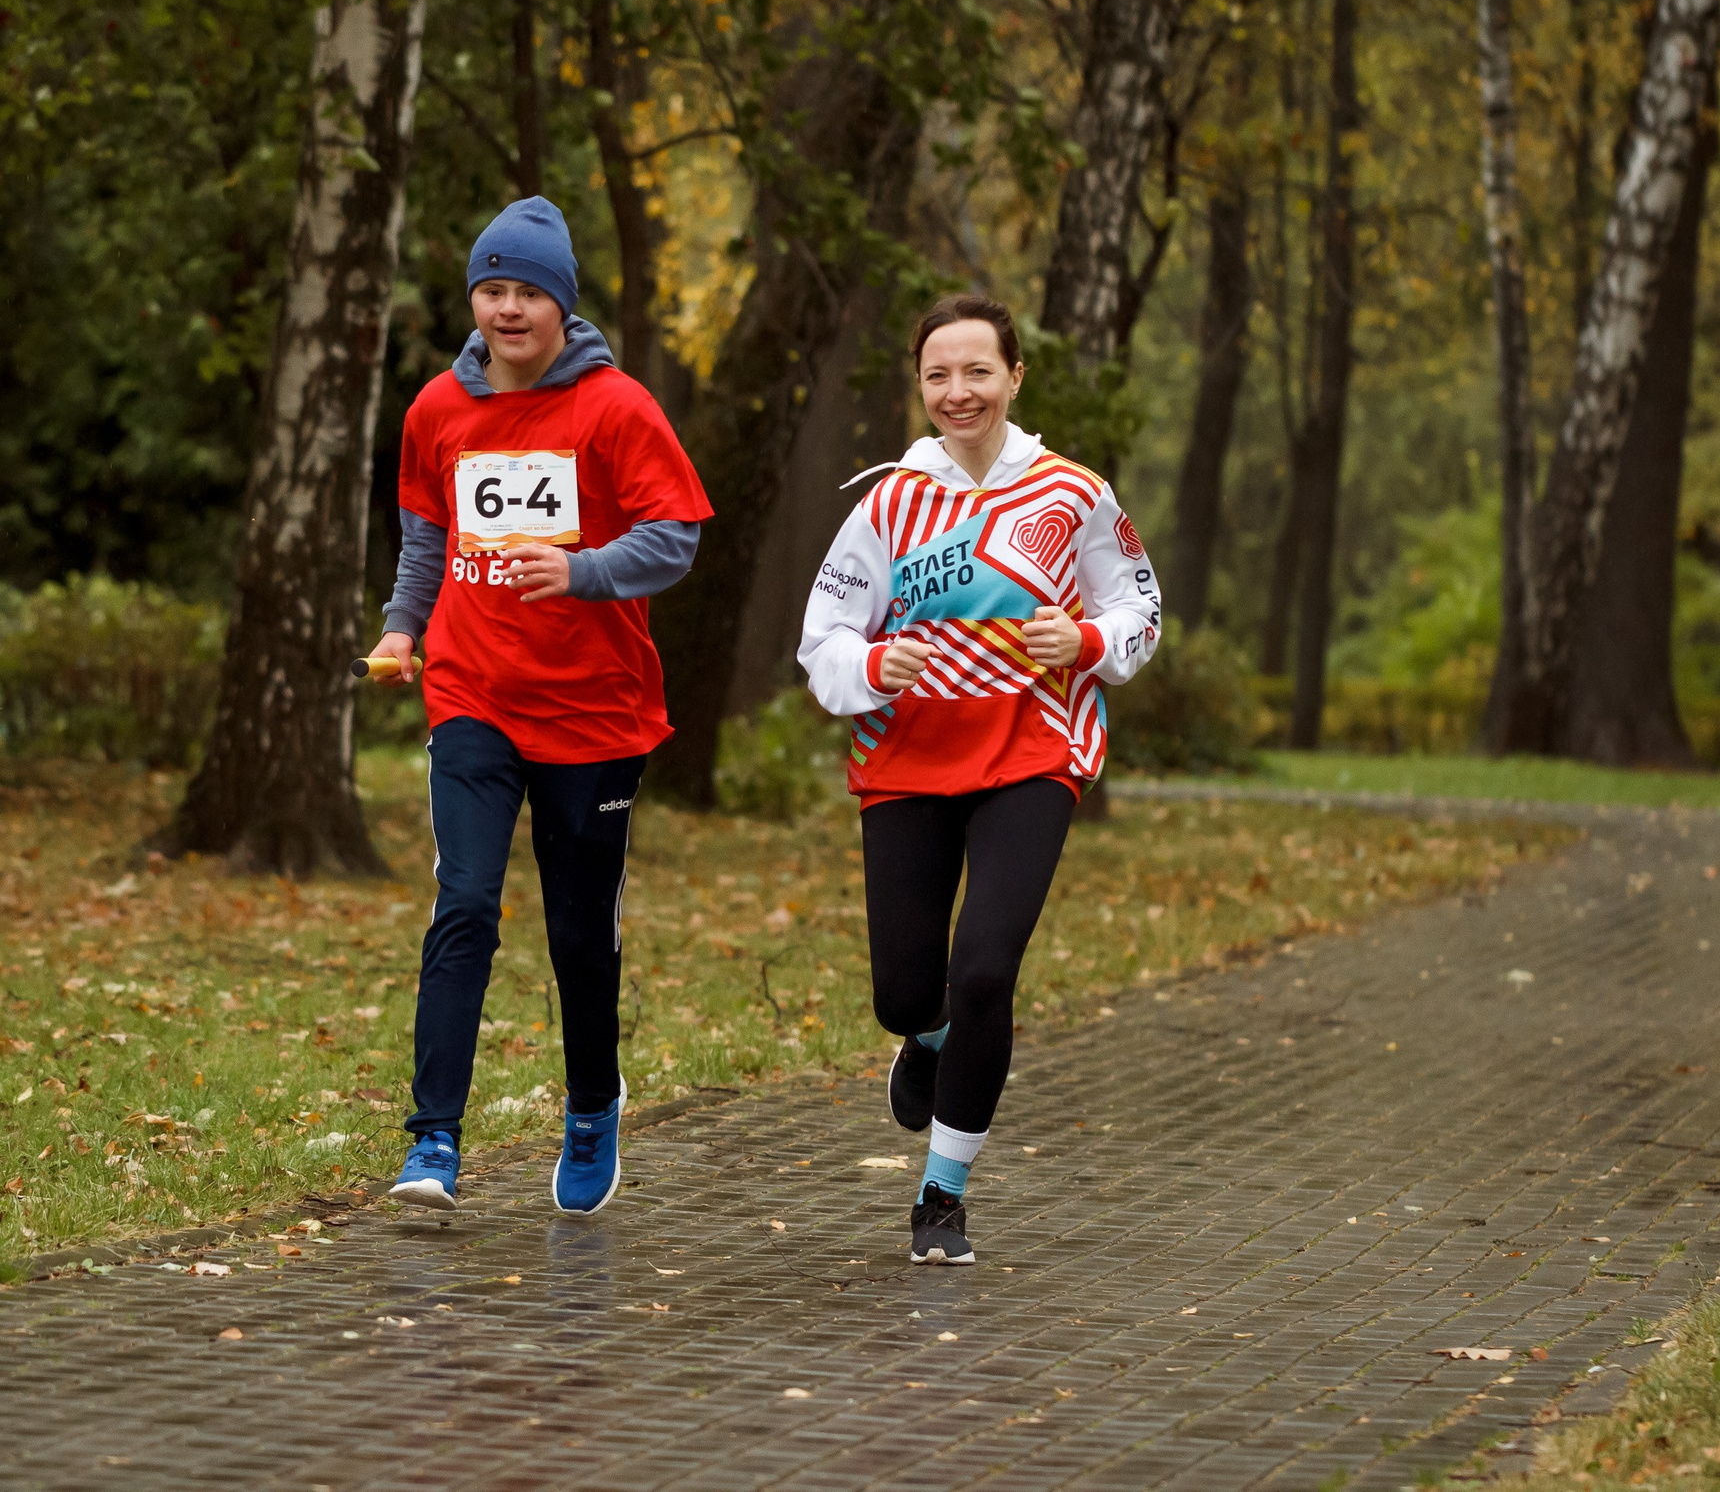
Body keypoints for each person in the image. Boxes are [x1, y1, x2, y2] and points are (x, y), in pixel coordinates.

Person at [364, 195, 712, 1215]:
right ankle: (432, 1141)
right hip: (472, 692)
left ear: (560, 302)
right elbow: (426, 536)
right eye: (491, 289)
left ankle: (593, 1105)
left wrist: (582, 572)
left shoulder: (615, 409)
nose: (507, 308)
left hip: (594, 710)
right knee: (463, 901)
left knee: (576, 933)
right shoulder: (436, 409)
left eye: (526, 291)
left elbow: (676, 535)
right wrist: (401, 628)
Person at [798, 294, 1160, 1264]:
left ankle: (941, 1198)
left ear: (1013, 379)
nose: (957, 392)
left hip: (1034, 753)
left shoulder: (1072, 493)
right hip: (907, 759)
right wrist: (872, 667)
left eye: (976, 372)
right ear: (918, 386)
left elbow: (1137, 604)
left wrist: (1084, 638)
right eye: (937, 376)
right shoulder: (885, 504)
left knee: (987, 971)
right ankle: (922, 1039)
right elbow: (822, 639)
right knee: (905, 994)